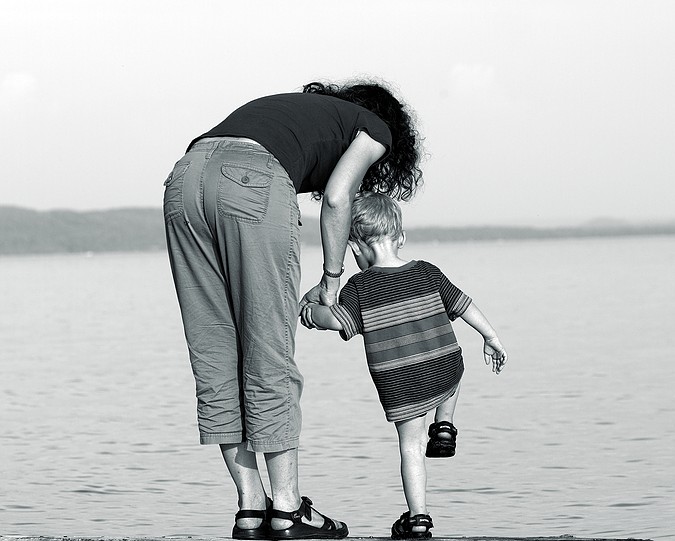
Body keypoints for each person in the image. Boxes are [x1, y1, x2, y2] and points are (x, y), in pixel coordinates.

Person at [163, 79, 423, 539]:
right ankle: (286, 511)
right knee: (268, 355)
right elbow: (340, 197)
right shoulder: (375, 127)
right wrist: (332, 278)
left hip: (183, 179)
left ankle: (250, 507)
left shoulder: (296, 111)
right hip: (251, 180)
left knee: (216, 355)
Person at [299, 192, 508, 539]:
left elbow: (335, 321)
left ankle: (419, 519)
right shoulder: (427, 272)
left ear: (355, 248)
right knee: (453, 364)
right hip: (442, 371)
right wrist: (491, 337)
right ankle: (444, 425)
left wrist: (312, 312)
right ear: (401, 237)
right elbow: (466, 305)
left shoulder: (360, 286)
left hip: (402, 386)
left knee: (411, 447)